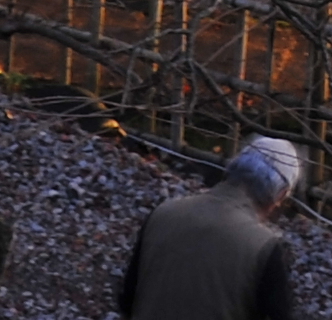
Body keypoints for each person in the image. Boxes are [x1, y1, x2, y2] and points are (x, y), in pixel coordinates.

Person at [123, 136, 304, 320]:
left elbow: (127, 299)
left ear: (233, 168)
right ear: (280, 195)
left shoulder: (163, 213)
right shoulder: (263, 246)